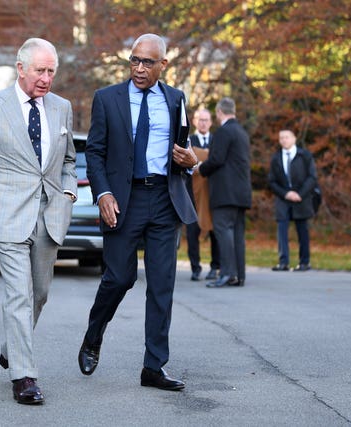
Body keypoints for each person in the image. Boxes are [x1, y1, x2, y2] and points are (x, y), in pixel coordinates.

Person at [0, 38, 76, 405]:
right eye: (40, 70)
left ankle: (12, 347)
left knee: (40, 293)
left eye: (52, 71)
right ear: (20, 68)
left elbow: (68, 161)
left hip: (50, 214)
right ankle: (24, 376)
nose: (46, 78)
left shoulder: (62, 108)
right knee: (18, 294)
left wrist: (69, 193)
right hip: (7, 214)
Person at [78, 33, 198, 391]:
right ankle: (94, 335)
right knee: (119, 278)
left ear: (163, 65)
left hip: (165, 198)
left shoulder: (176, 99)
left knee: (162, 285)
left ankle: (153, 367)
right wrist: (103, 193)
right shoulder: (107, 98)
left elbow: (183, 147)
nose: (139, 68)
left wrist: (191, 162)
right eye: (134, 60)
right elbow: (95, 153)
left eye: (148, 62)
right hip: (123, 199)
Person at [197, 97, 252, 288]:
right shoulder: (242, 133)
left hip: (224, 193)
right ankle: (238, 275)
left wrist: (200, 168)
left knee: (223, 231)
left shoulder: (223, 132)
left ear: (219, 112)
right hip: (241, 193)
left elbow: (217, 159)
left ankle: (227, 273)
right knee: (237, 234)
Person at [268, 129, 317, 272]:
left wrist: (299, 194)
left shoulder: (305, 156)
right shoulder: (276, 158)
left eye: (287, 137)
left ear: (294, 139)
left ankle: (304, 262)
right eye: (281, 137)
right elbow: (272, 181)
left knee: (302, 230)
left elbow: (312, 177)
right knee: (282, 229)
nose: (284, 140)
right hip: (283, 198)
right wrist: (286, 194)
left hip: (302, 198)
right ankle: (283, 262)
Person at [186, 108, 220, 281]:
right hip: (193, 193)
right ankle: (195, 267)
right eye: (200, 119)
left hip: (213, 192)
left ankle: (215, 267)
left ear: (211, 122)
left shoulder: (217, 141)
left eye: (206, 120)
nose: (203, 123)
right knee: (192, 230)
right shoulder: (188, 141)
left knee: (215, 231)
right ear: (194, 122)